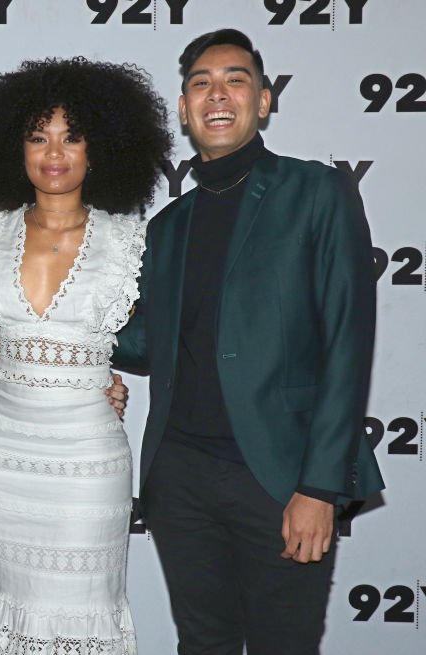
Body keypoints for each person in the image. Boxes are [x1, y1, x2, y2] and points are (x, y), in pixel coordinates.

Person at [112, 29, 384, 654]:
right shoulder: (167, 225)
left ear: (263, 101)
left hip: (282, 477)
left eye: (235, 80)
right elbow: (149, 342)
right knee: (203, 645)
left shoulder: (315, 191)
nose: (218, 93)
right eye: (201, 83)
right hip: (180, 478)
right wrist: (52, 325)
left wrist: (319, 487)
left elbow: (348, 342)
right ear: (183, 109)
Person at [0, 58, 172, 654]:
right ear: (13, 149)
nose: (55, 151)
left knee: (83, 610)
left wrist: (100, 376)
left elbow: (159, 342)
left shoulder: (130, 241)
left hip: (86, 461)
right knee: (7, 610)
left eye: (72, 136)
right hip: (4, 457)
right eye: (37, 136)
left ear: (100, 148)